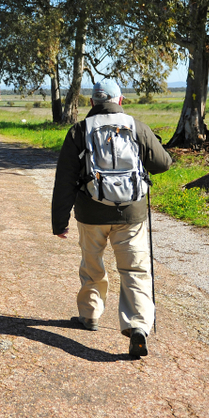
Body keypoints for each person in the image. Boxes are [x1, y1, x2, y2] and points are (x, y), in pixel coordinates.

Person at [51, 80, 172, 359]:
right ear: (121, 100)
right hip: (131, 213)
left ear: (92, 102)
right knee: (135, 270)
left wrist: (60, 223)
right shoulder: (136, 126)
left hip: (90, 213)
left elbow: (64, 181)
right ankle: (139, 325)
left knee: (92, 265)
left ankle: (90, 315)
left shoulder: (79, 131)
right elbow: (163, 163)